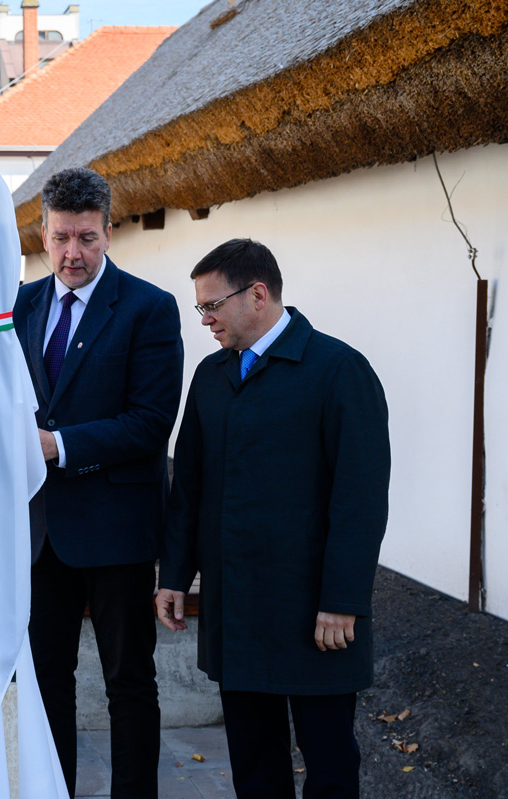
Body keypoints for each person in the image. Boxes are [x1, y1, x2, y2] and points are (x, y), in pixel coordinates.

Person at [156, 238, 391, 799]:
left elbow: (361, 498)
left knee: (331, 764)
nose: (205, 319)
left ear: (257, 294)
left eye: (212, 305)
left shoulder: (339, 369)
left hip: (315, 614)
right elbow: (188, 484)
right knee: (255, 766)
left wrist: (342, 600)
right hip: (237, 608)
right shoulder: (212, 376)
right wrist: (173, 574)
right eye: (200, 308)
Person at [14, 167, 183, 799]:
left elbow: (150, 423)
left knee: (129, 682)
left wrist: (58, 445)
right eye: (60, 238)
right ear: (43, 232)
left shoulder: (150, 308)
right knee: (46, 680)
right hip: (39, 531)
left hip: (118, 532)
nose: (71, 253)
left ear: (109, 232)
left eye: (86, 238)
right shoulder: (22, 303)